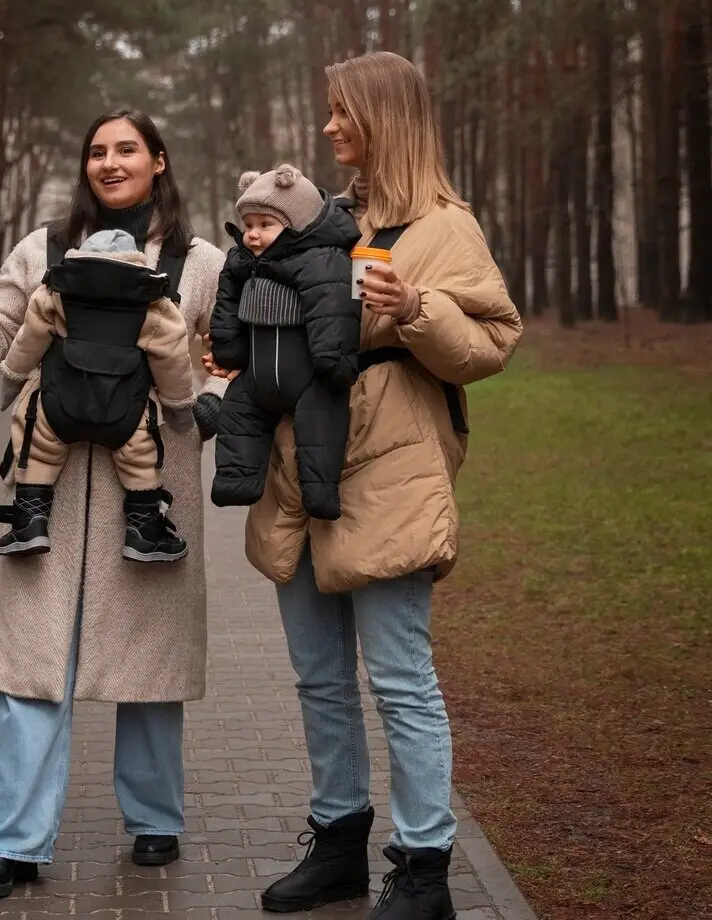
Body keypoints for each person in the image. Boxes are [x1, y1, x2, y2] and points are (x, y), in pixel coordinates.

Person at [205, 52, 523, 920]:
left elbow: (492, 343)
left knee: (399, 677)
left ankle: (425, 873)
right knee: (319, 675)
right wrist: (243, 346)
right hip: (301, 464)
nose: (329, 127)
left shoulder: (445, 228)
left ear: (385, 115)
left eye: (342, 111)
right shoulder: (326, 218)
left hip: (391, 469)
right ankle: (339, 843)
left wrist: (415, 306)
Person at [0, 108, 228, 901]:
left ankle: (155, 817)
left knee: (151, 660)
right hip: (45, 493)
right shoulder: (42, 250)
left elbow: (230, 353)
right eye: (97, 151)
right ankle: (13, 842)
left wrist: (213, 406)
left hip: (152, 488)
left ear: (159, 161)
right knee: (28, 664)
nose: (110, 162)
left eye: (127, 149)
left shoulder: (201, 262)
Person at [0, 227, 196, 562]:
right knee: (140, 454)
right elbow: (172, 359)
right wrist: (178, 407)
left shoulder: (56, 291)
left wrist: (13, 378)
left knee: (38, 444)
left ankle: (29, 520)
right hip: (125, 408)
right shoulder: (154, 303)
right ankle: (144, 530)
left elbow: (29, 340)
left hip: (59, 401)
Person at [207, 163, 361, 521]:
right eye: (248, 225)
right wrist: (227, 347)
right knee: (237, 412)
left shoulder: (322, 260)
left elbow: (332, 309)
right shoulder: (242, 262)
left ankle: (320, 493)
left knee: (321, 428)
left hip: (310, 376)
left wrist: (333, 358)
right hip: (256, 376)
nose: (252, 235)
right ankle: (236, 480)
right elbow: (226, 304)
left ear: (297, 225)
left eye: (265, 225)